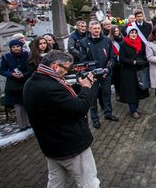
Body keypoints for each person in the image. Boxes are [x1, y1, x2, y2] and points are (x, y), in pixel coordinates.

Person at [23, 50, 100, 188]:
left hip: (52, 147)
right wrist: (87, 88)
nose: (67, 72)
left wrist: (79, 86)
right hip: (71, 146)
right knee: (89, 183)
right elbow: (79, 108)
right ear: (55, 66)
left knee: (56, 183)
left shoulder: (33, 82)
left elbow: (61, 101)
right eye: (66, 68)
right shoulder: (50, 87)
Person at [79, 20, 118, 129]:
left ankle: (108, 113)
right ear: (89, 29)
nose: (97, 30)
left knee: (107, 94)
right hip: (92, 76)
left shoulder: (107, 40)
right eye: (94, 28)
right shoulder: (83, 42)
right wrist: (96, 73)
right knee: (93, 97)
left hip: (106, 73)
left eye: (98, 28)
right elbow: (84, 60)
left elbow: (112, 56)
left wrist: (106, 69)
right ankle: (95, 119)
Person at [118, 26, 150, 119]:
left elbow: (144, 54)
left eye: (135, 33)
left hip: (139, 70)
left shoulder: (141, 43)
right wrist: (133, 62)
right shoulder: (123, 44)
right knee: (130, 91)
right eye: (131, 33)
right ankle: (133, 110)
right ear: (128, 34)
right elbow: (122, 58)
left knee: (138, 89)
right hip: (128, 71)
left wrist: (143, 60)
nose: (134, 34)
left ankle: (136, 107)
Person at [0, 39, 31, 131]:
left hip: (25, 81)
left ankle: (30, 122)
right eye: (13, 47)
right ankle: (22, 125)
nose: (16, 48)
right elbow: (2, 70)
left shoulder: (27, 55)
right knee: (18, 106)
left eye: (17, 46)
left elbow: (31, 68)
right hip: (14, 85)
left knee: (28, 103)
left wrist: (24, 75)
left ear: (21, 47)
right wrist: (11, 74)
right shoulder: (6, 57)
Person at [109, 25, 123, 101]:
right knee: (117, 79)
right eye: (115, 31)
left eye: (117, 31)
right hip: (115, 63)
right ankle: (118, 93)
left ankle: (123, 93)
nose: (116, 32)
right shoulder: (110, 40)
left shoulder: (122, 39)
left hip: (122, 61)